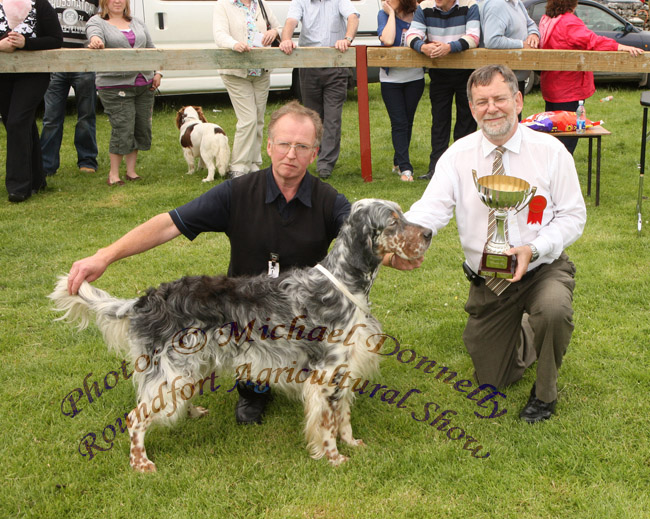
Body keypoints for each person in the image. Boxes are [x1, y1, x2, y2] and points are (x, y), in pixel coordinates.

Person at [66, 101, 351, 425]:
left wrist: (397, 251)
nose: (291, 154)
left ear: (314, 153)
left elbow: (364, 239)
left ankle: (304, 375)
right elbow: (168, 224)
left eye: (302, 146)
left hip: (305, 321)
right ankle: (253, 391)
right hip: (246, 320)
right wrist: (104, 255)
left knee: (326, 362)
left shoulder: (330, 201)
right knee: (251, 375)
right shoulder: (239, 192)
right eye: (284, 143)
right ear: (269, 146)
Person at [389, 65, 587, 423]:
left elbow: (573, 216)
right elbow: (432, 208)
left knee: (553, 309)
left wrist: (536, 248)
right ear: (471, 106)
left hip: (542, 267)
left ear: (517, 100)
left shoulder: (551, 151)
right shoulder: (457, 156)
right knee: (492, 379)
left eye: (499, 99)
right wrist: (403, 236)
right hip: (489, 278)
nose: (491, 108)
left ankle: (545, 394)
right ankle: (526, 331)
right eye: (481, 102)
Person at [539, 0, 642, 154]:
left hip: (551, 86)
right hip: (568, 89)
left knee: (553, 136)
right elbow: (591, 41)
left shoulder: (547, 19)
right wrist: (618, 46)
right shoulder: (569, 22)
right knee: (566, 141)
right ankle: (560, 176)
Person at [279, 0, 359, 180]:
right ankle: (310, 157)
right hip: (309, 64)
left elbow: (353, 17)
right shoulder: (300, 1)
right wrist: (286, 40)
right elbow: (291, 21)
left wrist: (347, 39)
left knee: (332, 118)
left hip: (335, 63)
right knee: (312, 118)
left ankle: (325, 164)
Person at [86, 0, 162, 186]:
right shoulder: (97, 22)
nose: (117, 1)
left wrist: (158, 72)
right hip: (114, 85)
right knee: (123, 127)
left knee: (139, 126)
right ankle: (113, 174)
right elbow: (94, 36)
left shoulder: (137, 22)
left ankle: (131, 171)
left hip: (144, 84)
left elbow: (151, 49)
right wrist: (95, 41)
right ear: (104, 2)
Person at [405, 0, 480, 181]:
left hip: (466, 72)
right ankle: (436, 170)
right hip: (439, 72)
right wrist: (423, 47)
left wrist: (448, 48)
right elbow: (411, 35)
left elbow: (473, 37)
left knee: (466, 122)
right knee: (439, 122)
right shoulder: (425, 7)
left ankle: (464, 170)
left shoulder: (470, 5)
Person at [0, 0, 62, 203]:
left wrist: (26, 44)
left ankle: (18, 187)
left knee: (17, 122)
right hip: (2, 75)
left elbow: (55, 39)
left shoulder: (40, 5)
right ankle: (37, 178)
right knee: (19, 124)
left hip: (33, 74)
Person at [213, 0, 282, 178]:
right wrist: (234, 44)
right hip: (235, 71)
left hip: (261, 69)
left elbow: (280, 28)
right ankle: (238, 166)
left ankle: (253, 163)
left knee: (258, 118)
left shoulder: (261, 4)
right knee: (248, 119)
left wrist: (273, 32)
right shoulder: (224, 5)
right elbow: (219, 34)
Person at [40, 0, 99, 178]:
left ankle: (87, 160)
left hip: (84, 62)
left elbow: (99, 24)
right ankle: (46, 164)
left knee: (86, 116)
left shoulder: (94, 1)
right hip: (55, 62)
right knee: (51, 118)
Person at [377, 0, 424, 182]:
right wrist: (390, 15)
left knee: (408, 121)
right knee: (399, 123)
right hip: (391, 80)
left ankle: (398, 161)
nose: (385, 1)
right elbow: (387, 40)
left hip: (414, 77)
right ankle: (405, 168)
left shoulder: (418, 13)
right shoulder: (384, 15)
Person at [478, 0, 539, 111]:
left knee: (514, 121)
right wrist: (522, 44)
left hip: (515, 77)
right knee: (503, 122)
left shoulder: (517, 3)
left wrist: (534, 34)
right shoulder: (496, 5)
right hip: (500, 80)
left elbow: (530, 23)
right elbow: (492, 40)